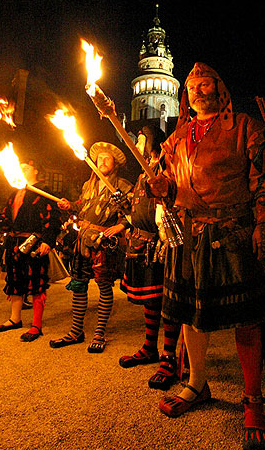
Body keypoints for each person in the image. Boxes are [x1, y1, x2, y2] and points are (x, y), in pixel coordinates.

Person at [148, 63, 265, 450]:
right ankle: (197, 382)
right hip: (191, 234)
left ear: (220, 89)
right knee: (191, 313)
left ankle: (253, 400)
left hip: (235, 232)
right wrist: (159, 185)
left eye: (205, 84)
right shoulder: (178, 135)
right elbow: (167, 180)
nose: (198, 91)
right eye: (192, 88)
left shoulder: (245, 127)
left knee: (246, 317)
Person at [50, 142, 133, 353]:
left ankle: (99, 333)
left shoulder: (123, 186)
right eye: (100, 158)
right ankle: (76, 331)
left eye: (107, 158)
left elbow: (134, 212)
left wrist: (119, 226)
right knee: (78, 286)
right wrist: (71, 206)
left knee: (104, 287)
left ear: (115, 164)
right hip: (83, 240)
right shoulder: (88, 185)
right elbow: (83, 207)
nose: (102, 161)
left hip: (104, 243)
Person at [117, 125, 182, 390]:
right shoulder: (145, 168)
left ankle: (169, 357)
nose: (138, 141)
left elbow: (173, 197)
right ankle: (148, 347)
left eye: (143, 138)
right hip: (142, 241)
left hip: (163, 242)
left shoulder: (167, 164)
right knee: (151, 299)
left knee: (168, 301)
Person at [0, 160, 61, 342]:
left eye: (25, 167)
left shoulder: (43, 192)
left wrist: (48, 241)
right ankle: (15, 319)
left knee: (36, 282)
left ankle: (36, 325)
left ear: (36, 170)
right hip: (13, 243)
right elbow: (6, 220)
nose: (21, 170)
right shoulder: (14, 193)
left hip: (33, 243)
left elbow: (54, 219)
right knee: (14, 280)